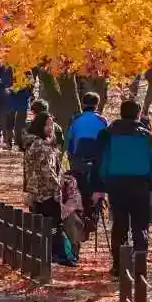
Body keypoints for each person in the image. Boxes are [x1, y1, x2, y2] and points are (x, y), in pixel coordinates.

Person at [99, 98, 152, 276]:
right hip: (141, 185)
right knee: (140, 226)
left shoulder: (109, 135)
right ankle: (139, 265)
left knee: (119, 224)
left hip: (117, 184)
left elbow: (103, 162)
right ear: (137, 114)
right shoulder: (147, 137)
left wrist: (105, 182)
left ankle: (119, 265)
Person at [23, 109, 71, 264]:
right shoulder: (42, 146)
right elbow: (47, 172)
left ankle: (45, 253)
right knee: (54, 225)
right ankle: (57, 254)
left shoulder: (33, 144)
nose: (51, 128)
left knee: (42, 225)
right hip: (46, 193)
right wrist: (59, 188)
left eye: (52, 125)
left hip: (35, 192)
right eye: (48, 125)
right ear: (40, 126)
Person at [65, 92, 110, 240]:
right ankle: (94, 214)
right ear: (97, 104)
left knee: (81, 186)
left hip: (79, 160)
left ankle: (82, 215)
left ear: (83, 104)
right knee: (97, 186)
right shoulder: (103, 120)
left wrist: (71, 158)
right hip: (97, 160)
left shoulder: (75, 120)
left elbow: (69, 143)